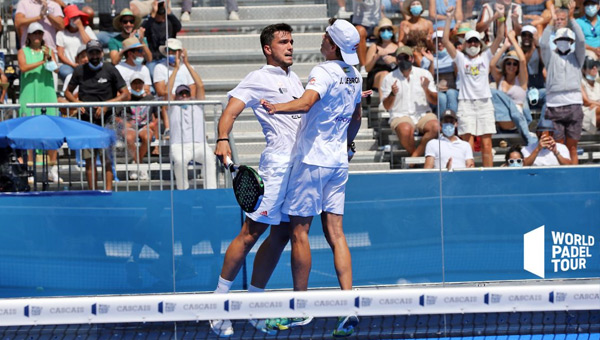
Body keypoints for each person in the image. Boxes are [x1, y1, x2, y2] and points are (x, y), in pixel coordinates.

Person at [260, 18, 363, 338]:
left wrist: (276, 108)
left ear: (332, 44)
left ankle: (299, 310)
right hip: (338, 163)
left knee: (299, 232)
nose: (321, 39)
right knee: (337, 233)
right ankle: (349, 308)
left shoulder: (323, 70)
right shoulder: (355, 74)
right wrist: (346, 146)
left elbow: (306, 103)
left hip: (311, 161)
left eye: (325, 37)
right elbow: (356, 118)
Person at [210, 23, 308, 337]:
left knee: (280, 236)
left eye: (291, 41)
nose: (290, 46)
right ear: (268, 48)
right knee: (251, 233)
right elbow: (231, 111)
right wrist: (223, 137)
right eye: (283, 42)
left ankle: (253, 306)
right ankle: (218, 305)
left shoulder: (294, 78)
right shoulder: (257, 78)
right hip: (277, 167)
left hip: (300, 168)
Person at [442, 5, 504, 167]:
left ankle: (489, 177)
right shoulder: (461, 58)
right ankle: (469, 174)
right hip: (466, 103)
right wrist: (449, 17)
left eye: (476, 41)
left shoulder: (485, 56)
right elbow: (445, 41)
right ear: (464, 44)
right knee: (467, 145)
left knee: (487, 145)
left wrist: (502, 17)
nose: (473, 44)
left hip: (484, 102)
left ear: (480, 43)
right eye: (470, 41)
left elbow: (500, 37)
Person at [65, 40, 130, 190]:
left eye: (97, 52)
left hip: (107, 121)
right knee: (89, 160)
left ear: (102, 53)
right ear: (87, 54)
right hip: (86, 122)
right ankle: (93, 193)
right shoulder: (79, 70)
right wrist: (77, 103)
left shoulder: (110, 69)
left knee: (107, 158)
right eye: (91, 52)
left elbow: (126, 94)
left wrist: (106, 105)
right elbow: (67, 92)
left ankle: (107, 192)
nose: (94, 55)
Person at [166, 49, 217, 190]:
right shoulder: (173, 106)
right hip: (179, 145)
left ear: (190, 94)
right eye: (180, 94)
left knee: (209, 159)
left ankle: (210, 191)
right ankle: (183, 191)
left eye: (186, 94)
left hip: (200, 144)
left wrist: (187, 64)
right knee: (179, 161)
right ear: (176, 96)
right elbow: (167, 89)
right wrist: (176, 69)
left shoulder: (197, 104)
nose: (183, 96)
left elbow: (200, 85)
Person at [540, 5, 585, 164]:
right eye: (560, 39)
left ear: (571, 41)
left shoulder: (577, 57)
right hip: (554, 105)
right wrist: (551, 22)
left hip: (574, 105)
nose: (564, 42)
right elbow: (544, 43)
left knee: (572, 147)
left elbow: (581, 40)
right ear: (556, 41)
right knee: (558, 147)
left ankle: (575, 178)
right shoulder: (550, 57)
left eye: (567, 39)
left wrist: (571, 18)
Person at [18, 22, 62, 183]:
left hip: (47, 93)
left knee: (51, 131)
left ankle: (52, 170)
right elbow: (23, 67)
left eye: (39, 33)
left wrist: (48, 59)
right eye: (34, 33)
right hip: (29, 94)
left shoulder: (48, 51)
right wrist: (42, 62)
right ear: (28, 36)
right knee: (29, 133)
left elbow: (56, 69)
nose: (37, 36)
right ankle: (29, 170)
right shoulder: (22, 51)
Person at [380, 45, 439, 157]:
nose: (403, 61)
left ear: (412, 58)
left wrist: (426, 89)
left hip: (422, 113)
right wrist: (392, 93)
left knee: (436, 127)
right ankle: (415, 157)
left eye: (406, 57)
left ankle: (414, 157)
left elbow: (435, 101)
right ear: (396, 60)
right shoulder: (389, 78)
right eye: (400, 58)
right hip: (400, 114)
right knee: (405, 130)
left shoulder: (424, 74)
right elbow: (387, 106)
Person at [153, 38, 195, 139]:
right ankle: (168, 129)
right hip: (169, 99)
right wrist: (176, 69)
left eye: (174, 51)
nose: (171, 53)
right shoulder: (159, 67)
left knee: (195, 100)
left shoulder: (189, 68)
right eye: (169, 51)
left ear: (180, 52)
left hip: (184, 96)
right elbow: (160, 91)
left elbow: (193, 90)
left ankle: (194, 128)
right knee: (168, 97)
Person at [121, 72, 158, 180]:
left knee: (147, 137)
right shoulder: (126, 98)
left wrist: (153, 124)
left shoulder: (151, 98)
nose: (137, 86)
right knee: (128, 137)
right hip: (130, 126)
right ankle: (140, 164)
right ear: (131, 85)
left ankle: (136, 163)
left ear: (143, 84)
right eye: (134, 83)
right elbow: (117, 115)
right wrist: (124, 123)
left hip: (145, 126)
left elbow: (158, 116)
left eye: (139, 83)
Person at [421, 30, 459, 114]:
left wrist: (456, 62)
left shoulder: (456, 56)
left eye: (442, 41)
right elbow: (428, 80)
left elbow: (459, 76)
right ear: (433, 44)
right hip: (436, 91)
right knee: (441, 98)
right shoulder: (426, 59)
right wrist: (431, 62)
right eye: (436, 41)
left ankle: (453, 121)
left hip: (453, 89)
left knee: (451, 93)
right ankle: (442, 123)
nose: (439, 44)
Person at [141, 0, 181, 77]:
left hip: (168, 57)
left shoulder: (170, 22)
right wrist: (153, 14)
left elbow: (178, 27)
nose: (160, 16)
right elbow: (143, 30)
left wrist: (168, 11)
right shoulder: (150, 23)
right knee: (153, 74)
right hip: (154, 58)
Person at [56, 4, 96, 81]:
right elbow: (60, 54)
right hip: (68, 65)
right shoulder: (61, 33)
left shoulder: (87, 29)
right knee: (67, 73)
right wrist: (73, 65)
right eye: (73, 18)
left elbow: (91, 45)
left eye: (77, 17)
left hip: (87, 64)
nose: (76, 20)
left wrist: (80, 27)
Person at [365, 18, 399, 92]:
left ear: (393, 32)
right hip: (377, 76)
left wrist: (395, 60)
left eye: (389, 29)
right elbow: (367, 68)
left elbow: (407, 63)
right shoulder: (374, 47)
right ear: (379, 33)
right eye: (383, 30)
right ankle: (383, 102)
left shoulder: (399, 46)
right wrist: (376, 57)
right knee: (385, 74)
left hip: (395, 75)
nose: (386, 32)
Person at [351, 0, 382, 68]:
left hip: (377, 23)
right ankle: (363, 66)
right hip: (361, 23)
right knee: (360, 32)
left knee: (388, 29)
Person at [581, 57, 600, 133]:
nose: (595, 68)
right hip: (586, 114)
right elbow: (586, 102)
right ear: (583, 70)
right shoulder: (580, 83)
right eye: (591, 66)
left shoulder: (598, 85)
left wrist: (595, 104)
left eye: (596, 65)